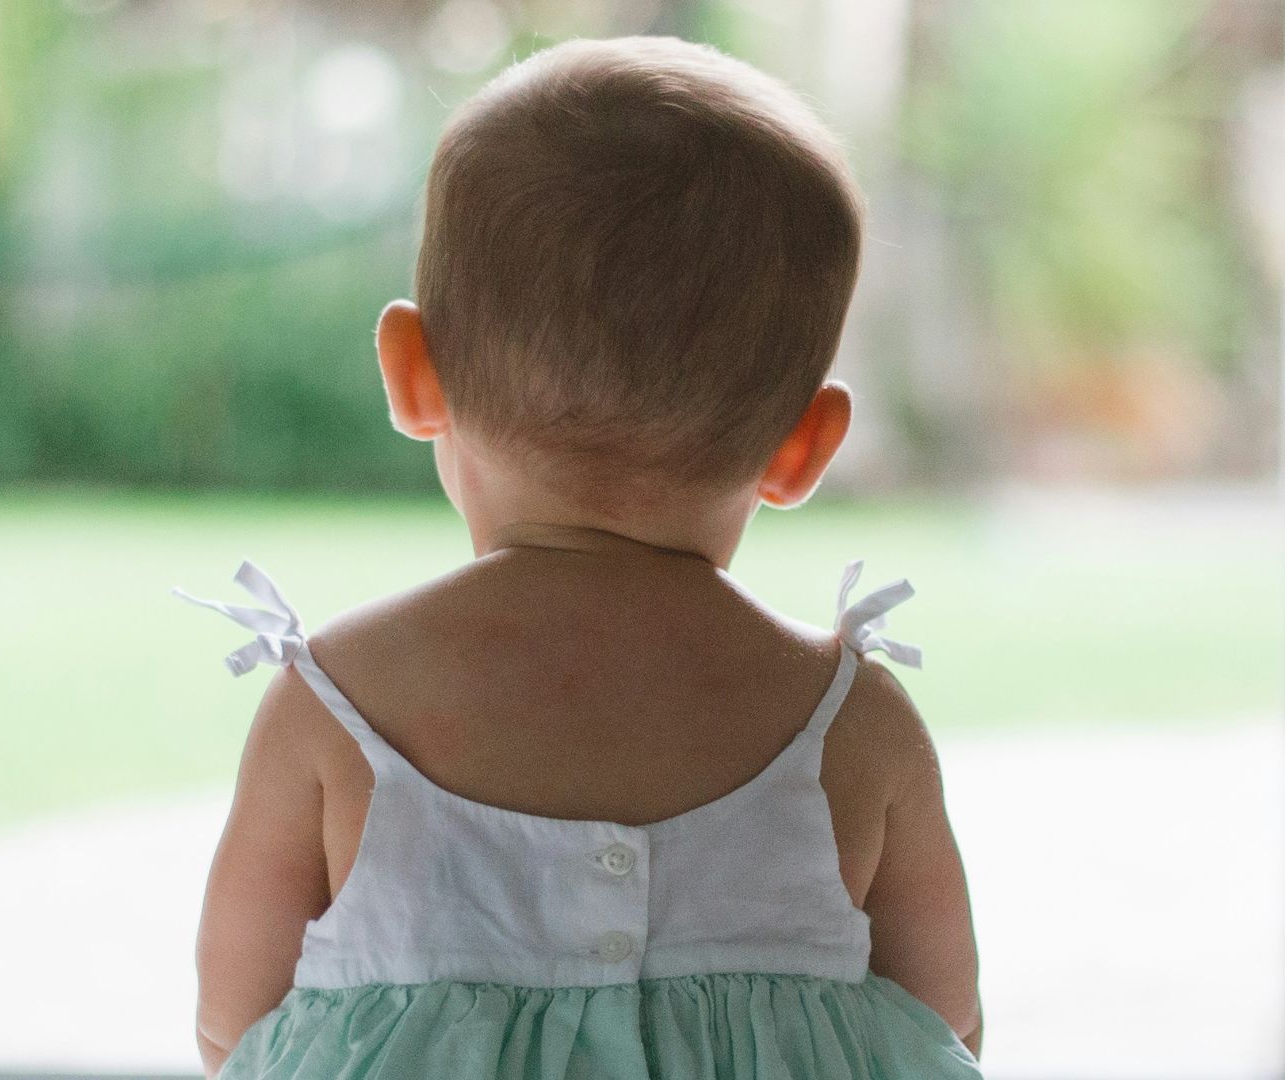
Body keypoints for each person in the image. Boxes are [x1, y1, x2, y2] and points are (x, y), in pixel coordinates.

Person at [173, 35, 982, 1080]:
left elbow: (236, 1031)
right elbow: (944, 1029)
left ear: (414, 374)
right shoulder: (853, 723)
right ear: (804, 446)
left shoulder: (339, 706)